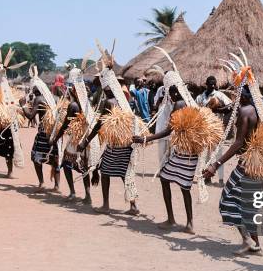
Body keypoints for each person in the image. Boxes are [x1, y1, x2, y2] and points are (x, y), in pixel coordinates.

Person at [203, 85, 261, 256]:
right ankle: (256, 244)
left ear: (244, 95)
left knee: (227, 199)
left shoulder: (245, 111)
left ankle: (248, 240)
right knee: (248, 204)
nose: (236, 97)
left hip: (246, 163)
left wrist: (216, 164)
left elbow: (238, 143)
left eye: (238, 94)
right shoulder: (260, 110)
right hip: (258, 162)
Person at [133, 85, 198, 232]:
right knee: (185, 186)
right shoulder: (190, 102)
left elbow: (169, 130)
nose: (171, 97)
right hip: (190, 151)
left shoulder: (179, 104)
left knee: (165, 179)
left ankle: (171, 220)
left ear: (175, 92)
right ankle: (190, 224)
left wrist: (146, 138)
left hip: (184, 152)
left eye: (171, 94)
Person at [80, 85, 139, 215]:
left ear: (106, 90)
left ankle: (106, 205)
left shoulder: (109, 101)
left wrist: (86, 141)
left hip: (115, 145)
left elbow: (99, 125)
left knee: (105, 173)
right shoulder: (123, 100)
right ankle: (133, 206)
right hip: (126, 143)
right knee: (125, 174)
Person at [55, 70, 95, 205]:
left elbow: (65, 125)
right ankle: (88, 195)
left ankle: (72, 192)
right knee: (84, 167)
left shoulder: (73, 105)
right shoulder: (88, 104)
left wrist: (56, 138)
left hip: (75, 140)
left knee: (66, 164)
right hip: (86, 140)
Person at [20, 86, 60, 192]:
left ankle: (41, 183)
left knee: (36, 157)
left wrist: (23, 105)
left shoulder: (39, 99)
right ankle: (56, 186)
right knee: (55, 158)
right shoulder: (56, 98)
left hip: (43, 133)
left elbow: (30, 116)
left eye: (35, 92)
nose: (35, 94)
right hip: (55, 133)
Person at [196, 76, 232, 185]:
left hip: (216, 129)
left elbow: (230, 106)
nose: (212, 86)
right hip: (204, 128)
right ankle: (206, 177)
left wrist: (218, 110)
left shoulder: (219, 95)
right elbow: (195, 110)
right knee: (204, 154)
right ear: (206, 84)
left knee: (217, 153)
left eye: (214, 84)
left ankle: (220, 179)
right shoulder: (200, 98)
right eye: (210, 84)